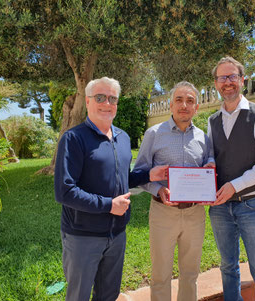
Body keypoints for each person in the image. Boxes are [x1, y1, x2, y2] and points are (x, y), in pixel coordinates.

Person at [54, 77, 167, 301]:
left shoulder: (122, 138)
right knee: (78, 296)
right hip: (83, 236)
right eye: (100, 97)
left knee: (108, 295)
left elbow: (121, 179)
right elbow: (64, 191)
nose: (107, 103)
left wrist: (148, 175)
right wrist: (109, 205)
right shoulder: (73, 139)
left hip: (117, 235)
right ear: (87, 101)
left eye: (112, 98)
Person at [207, 57, 255, 301]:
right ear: (216, 83)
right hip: (219, 208)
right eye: (222, 78)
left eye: (232, 77)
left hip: (253, 205)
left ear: (242, 80)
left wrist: (234, 186)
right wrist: (207, 168)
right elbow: (212, 157)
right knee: (228, 267)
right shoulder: (212, 121)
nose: (227, 82)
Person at [133, 81, 214, 301]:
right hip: (163, 213)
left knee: (190, 273)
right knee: (160, 274)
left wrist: (210, 171)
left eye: (190, 101)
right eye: (179, 100)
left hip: (195, 214)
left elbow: (209, 163)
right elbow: (139, 172)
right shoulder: (154, 134)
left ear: (196, 108)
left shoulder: (203, 138)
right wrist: (158, 189)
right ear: (171, 105)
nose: (184, 105)